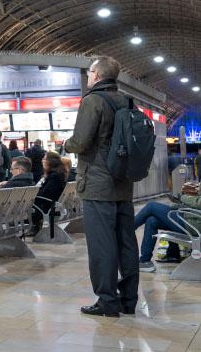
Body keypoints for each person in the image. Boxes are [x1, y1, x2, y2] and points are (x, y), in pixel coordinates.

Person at [64, 56, 138, 317]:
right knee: (126, 242)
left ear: (96, 74)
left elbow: (81, 141)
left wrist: (66, 144)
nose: (87, 76)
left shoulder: (93, 100)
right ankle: (129, 300)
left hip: (97, 184)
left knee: (102, 245)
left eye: (89, 72)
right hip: (123, 185)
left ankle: (107, 301)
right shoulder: (126, 101)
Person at [135, 192, 201, 272]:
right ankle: (145, 261)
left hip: (192, 224)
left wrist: (182, 197)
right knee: (152, 221)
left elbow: (198, 202)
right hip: (193, 220)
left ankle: (126, 231)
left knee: (151, 206)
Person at [32, 152, 69, 236]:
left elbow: (45, 194)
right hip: (53, 206)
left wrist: (33, 194)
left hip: (46, 208)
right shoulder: (59, 175)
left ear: (51, 162)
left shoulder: (54, 177)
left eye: (44, 159)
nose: (42, 161)